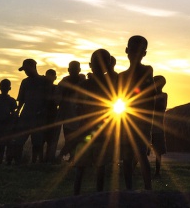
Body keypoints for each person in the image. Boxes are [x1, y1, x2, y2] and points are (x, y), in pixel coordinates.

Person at [73, 49, 118, 195]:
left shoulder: (85, 85)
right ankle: (95, 195)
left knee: (85, 167)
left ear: (89, 65)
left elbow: (78, 108)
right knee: (98, 166)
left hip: (90, 131)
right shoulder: (111, 85)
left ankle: (77, 195)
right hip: (100, 131)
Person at [118, 35, 155, 190]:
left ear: (144, 54)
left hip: (141, 120)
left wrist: (149, 124)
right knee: (126, 158)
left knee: (139, 155)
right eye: (133, 51)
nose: (135, 55)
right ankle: (129, 190)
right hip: (126, 120)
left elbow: (150, 98)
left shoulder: (147, 71)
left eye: (138, 52)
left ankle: (148, 189)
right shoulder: (121, 76)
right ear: (127, 51)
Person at [16, 58, 50, 163]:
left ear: (33, 67)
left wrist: (43, 111)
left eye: (26, 69)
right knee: (20, 140)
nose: (25, 72)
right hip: (26, 115)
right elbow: (21, 99)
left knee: (37, 142)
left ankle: (35, 162)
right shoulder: (25, 82)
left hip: (39, 116)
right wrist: (17, 112)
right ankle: (19, 161)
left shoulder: (44, 81)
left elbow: (48, 99)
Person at [58, 60, 86, 160]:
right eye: (72, 69)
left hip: (81, 116)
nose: (73, 71)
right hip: (68, 116)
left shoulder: (83, 82)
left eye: (75, 69)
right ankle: (68, 157)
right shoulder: (63, 83)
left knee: (78, 139)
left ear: (79, 70)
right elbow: (58, 100)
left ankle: (69, 158)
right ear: (69, 70)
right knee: (69, 139)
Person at [0, 79, 18, 164]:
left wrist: (9, 120)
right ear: (0, 88)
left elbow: (13, 112)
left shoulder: (11, 101)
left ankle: (0, 161)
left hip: (5, 125)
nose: (4, 89)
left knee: (2, 145)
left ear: (9, 88)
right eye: (3, 87)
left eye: (6, 87)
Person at [151, 75, 168, 177]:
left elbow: (160, 107)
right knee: (142, 150)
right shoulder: (151, 96)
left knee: (158, 152)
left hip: (157, 128)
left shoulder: (163, 96)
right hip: (149, 127)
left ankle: (157, 172)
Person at [43, 68, 61, 162]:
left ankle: (48, 158)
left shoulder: (55, 88)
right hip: (44, 115)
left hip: (52, 115)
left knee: (50, 139)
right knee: (43, 139)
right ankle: (44, 159)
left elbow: (57, 101)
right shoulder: (42, 88)